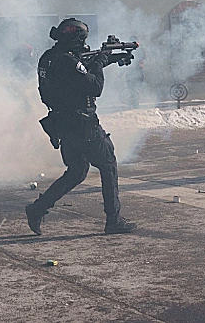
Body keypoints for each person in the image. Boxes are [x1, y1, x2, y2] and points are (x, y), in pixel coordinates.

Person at [25, 18, 137, 235]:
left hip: (63, 123)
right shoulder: (67, 61)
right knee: (108, 164)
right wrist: (101, 59)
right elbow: (94, 86)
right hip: (82, 123)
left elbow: (78, 74)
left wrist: (108, 59)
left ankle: (37, 208)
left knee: (76, 172)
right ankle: (113, 219)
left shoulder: (49, 58)